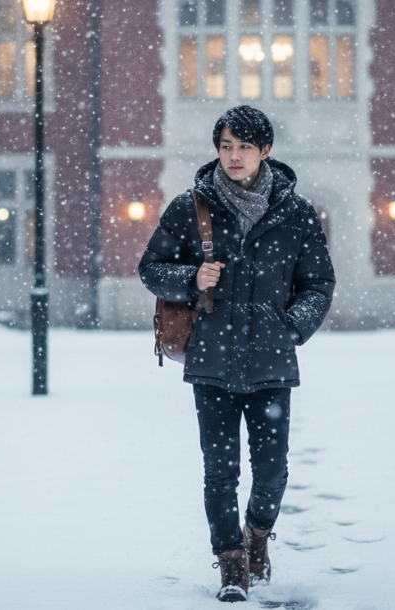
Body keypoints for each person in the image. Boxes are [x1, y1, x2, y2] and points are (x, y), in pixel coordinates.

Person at [138, 106, 336, 602]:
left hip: (271, 364)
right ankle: (230, 562)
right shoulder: (191, 208)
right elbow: (150, 268)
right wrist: (190, 278)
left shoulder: (296, 213)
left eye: (244, 147)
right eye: (226, 146)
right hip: (212, 363)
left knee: (271, 471)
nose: (233, 156)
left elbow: (318, 284)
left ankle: (258, 537)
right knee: (219, 471)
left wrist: (289, 329)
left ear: (265, 151)